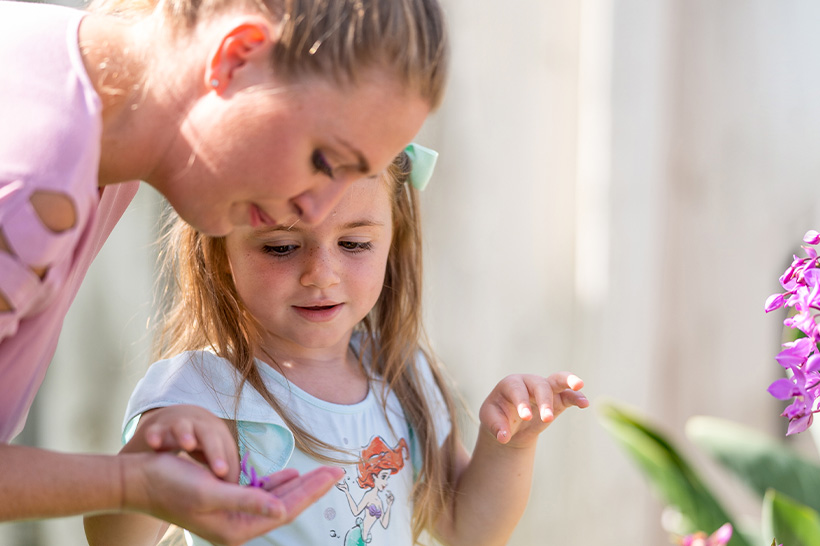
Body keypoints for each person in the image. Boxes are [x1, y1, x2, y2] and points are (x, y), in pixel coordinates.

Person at [0, 0, 448, 542]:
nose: (312, 208)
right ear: (236, 59)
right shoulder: (31, 195)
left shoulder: (89, 104)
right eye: (324, 161)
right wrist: (126, 484)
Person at [83, 148, 590, 546]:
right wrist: (150, 463)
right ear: (219, 252)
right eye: (281, 246)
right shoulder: (201, 393)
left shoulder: (400, 376)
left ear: (394, 241)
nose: (320, 274)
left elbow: (470, 530)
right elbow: (110, 539)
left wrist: (512, 445)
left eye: (354, 245)